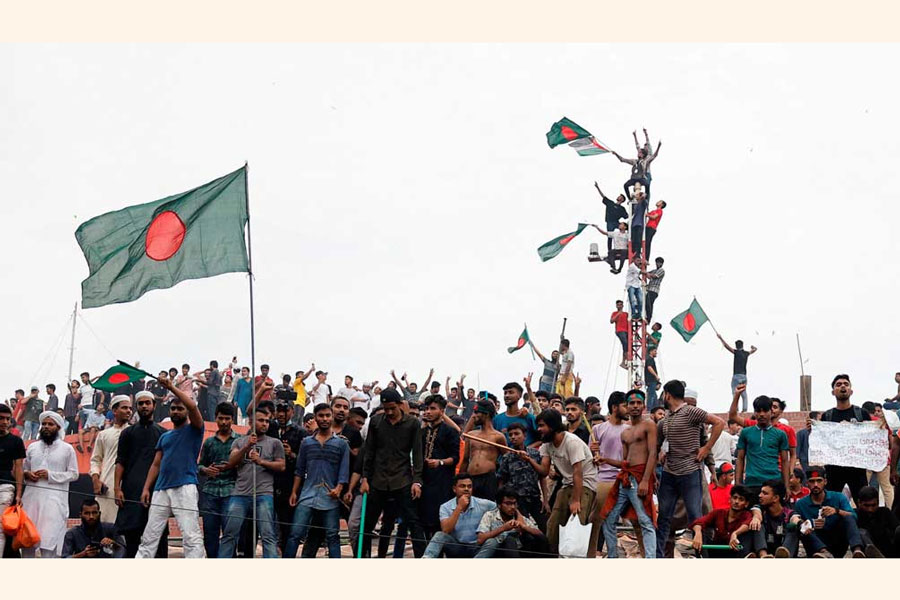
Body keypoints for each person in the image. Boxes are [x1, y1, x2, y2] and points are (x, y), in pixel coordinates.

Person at [136, 374, 206, 559]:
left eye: (180, 408)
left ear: (186, 412)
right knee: (149, 537)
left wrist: (171, 388)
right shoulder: (164, 436)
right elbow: (156, 464)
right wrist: (146, 488)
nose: (175, 411)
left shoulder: (195, 430)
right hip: (160, 489)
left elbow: (193, 406)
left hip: (185, 486)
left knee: (191, 536)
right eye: (173, 408)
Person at [655, 379, 725, 557]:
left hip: (690, 472)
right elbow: (661, 443)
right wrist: (661, 453)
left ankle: (702, 555)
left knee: (697, 516)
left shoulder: (691, 412)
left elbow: (719, 423)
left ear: (667, 395)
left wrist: (706, 449)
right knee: (664, 517)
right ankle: (659, 556)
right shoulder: (666, 419)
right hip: (670, 473)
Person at [517, 409, 600, 557]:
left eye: (542, 425)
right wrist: (529, 459)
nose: (538, 429)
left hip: (585, 484)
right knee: (553, 525)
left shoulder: (572, 442)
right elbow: (544, 471)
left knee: (577, 524)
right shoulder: (546, 444)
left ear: (553, 426)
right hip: (567, 484)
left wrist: (576, 500)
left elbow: (578, 472)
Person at [359, 388, 426, 558]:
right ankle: (365, 558)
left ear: (400, 404)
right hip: (378, 480)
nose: (389, 412)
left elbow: (417, 454)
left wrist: (417, 481)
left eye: (392, 408)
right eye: (386, 408)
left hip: (402, 480)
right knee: (368, 524)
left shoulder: (412, 423)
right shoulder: (376, 422)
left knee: (413, 522)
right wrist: (365, 478)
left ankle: (423, 558)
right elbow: (369, 452)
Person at [217, 407, 286, 558]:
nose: (264, 424)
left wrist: (261, 461)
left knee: (268, 535)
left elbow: (281, 466)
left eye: (267, 421)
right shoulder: (239, 441)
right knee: (229, 533)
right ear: (251, 422)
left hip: (264, 494)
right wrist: (247, 446)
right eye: (261, 420)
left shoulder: (275, 443)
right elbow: (232, 461)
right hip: (240, 494)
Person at [285, 403, 350, 558]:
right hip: (307, 495)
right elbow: (299, 470)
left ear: (332, 417)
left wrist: (339, 489)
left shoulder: (341, 444)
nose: (324, 419)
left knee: (332, 536)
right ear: (315, 418)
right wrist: (294, 492)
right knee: (295, 534)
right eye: (321, 416)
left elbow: (344, 471)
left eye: (327, 415)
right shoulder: (307, 443)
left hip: (330, 497)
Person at [599, 389, 658, 558]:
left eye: (639, 403)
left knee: (645, 520)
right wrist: (605, 460)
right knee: (609, 519)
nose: (635, 406)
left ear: (644, 406)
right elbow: (625, 462)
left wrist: (645, 480)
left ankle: (651, 559)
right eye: (631, 403)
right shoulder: (625, 432)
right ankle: (612, 556)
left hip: (640, 478)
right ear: (627, 406)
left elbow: (653, 453)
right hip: (625, 478)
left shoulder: (649, 425)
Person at [115, 390, 168, 558]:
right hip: (131, 491)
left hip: (156, 491)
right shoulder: (127, 433)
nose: (144, 406)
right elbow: (120, 462)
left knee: (159, 537)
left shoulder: (163, 433)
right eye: (141, 403)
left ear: (154, 405)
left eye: (147, 403)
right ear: (136, 406)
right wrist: (117, 488)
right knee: (132, 539)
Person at [21, 411, 78, 557]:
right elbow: (23, 469)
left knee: (49, 544)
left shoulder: (67, 449)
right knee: (27, 541)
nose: (46, 426)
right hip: (31, 500)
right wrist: (27, 474)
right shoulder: (32, 447)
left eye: (50, 424)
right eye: (44, 424)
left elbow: (74, 474)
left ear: (58, 427)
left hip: (54, 502)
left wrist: (50, 475)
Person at [811, 374, 871, 503]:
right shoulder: (827, 416)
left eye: (846, 384)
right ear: (833, 392)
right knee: (831, 504)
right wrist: (813, 430)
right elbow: (823, 441)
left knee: (864, 503)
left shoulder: (861, 414)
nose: (843, 386)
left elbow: (870, 438)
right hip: (834, 470)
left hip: (857, 468)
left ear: (851, 390)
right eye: (838, 385)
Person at [794, 467, 866, 558]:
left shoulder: (838, 497)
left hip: (837, 542)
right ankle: (823, 551)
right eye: (812, 481)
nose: (815, 485)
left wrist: (837, 511)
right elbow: (793, 522)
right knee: (801, 526)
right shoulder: (801, 504)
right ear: (807, 483)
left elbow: (853, 517)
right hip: (815, 546)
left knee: (848, 517)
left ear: (825, 482)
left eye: (819, 481)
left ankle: (857, 551)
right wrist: (808, 523)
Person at [197, 402, 238, 558]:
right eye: (221, 418)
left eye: (227, 418)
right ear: (215, 418)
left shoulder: (239, 441)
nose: (224, 422)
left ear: (232, 420)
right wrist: (206, 470)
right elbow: (199, 465)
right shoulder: (209, 442)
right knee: (210, 534)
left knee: (230, 534)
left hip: (231, 492)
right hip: (210, 492)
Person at [423, 473, 496, 558]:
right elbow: (446, 530)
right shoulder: (445, 507)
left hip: (477, 546)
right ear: (454, 489)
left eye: (469, 486)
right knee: (439, 535)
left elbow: (499, 508)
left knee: (492, 542)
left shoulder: (485, 504)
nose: (466, 489)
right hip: (457, 546)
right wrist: (459, 507)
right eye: (462, 486)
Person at [420, 395, 462, 540]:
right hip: (424, 480)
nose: (428, 412)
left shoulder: (450, 432)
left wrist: (440, 462)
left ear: (442, 411)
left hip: (443, 482)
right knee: (424, 521)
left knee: (439, 520)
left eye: (433, 408)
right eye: (426, 408)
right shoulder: (422, 432)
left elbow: (455, 458)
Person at [729, 386, 797, 474]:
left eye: (775, 407)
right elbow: (733, 416)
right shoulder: (753, 426)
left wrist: (790, 472)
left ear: (781, 411)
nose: (772, 409)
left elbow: (793, 454)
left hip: (778, 473)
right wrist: (737, 395)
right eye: (770, 407)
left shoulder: (787, 430)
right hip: (756, 473)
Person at [89, 395, 132, 524]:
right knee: (105, 524)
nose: (129, 411)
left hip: (130, 485)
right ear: (114, 411)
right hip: (107, 486)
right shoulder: (104, 434)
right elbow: (95, 460)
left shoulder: (135, 432)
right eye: (124, 408)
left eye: (130, 408)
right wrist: (96, 480)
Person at [497, 422, 547, 531]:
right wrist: (501, 501)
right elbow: (501, 480)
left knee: (544, 526)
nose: (513, 437)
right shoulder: (507, 457)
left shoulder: (535, 454)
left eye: (516, 434)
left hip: (534, 497)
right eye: (510, 435)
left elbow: (542, 476)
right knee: (523, 529)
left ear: (524, 436)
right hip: (517, 501)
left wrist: (546, 500)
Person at [735, 395, 790, 495]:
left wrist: (786, 486)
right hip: (752, 483)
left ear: (771, 412)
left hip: (773, 483)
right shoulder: (746, 433)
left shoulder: (780, 434)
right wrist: (738, 484)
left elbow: (785, 461)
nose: (761, 414)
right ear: (754, 412)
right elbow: (740, 459)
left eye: (765, 411)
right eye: (758, 411)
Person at [272, 401, 307, 554]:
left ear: (292, 411)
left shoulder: (300, 433)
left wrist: (291, 454)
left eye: (285, 411)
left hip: (291, 483)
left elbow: (305, 461)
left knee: (287, 524)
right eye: (278, 410)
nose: (281, 414)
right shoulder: (271, 428)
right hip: (270, 481)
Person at [475, 487, 548, 558]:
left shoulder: (520, 518)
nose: (512, 507)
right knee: (507, 540)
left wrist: (524, 527)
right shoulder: (490, 516)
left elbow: (541, 535)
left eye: (514, 503)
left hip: (518, 552)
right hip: (497, 553)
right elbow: (480, 539)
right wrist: (503, 528)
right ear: (499, 505)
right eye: (508, 504)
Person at [461, 399, 507, 500]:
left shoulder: (498, 437)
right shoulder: (471, 435)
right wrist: (460, 479)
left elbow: (507, 459)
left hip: (488, 479)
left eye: (477, 412)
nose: (474, 416)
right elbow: (465, 460)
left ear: (486, 414)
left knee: (487, 507)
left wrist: (501, 481)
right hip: (471, 478)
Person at [748, 479, 800, 558]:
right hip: (768, 551)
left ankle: (783, 556)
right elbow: (756, 511)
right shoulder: (761, 509)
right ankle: (763, 556)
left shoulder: (788, 512)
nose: (760, 495)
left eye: (765, 493)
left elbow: (795, 518)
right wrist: (756, 518)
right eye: (761, 492)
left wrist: (798, 522)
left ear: (775, 498)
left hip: (785, 550)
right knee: (757, 524)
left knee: (793, 527)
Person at [0, 403, 25, 559]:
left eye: (7, 419)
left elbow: (19, 468)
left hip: (5, 488)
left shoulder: (15, 441)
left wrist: (18, 494)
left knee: (0, 529)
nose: (4, 422)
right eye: (1, 418)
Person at [62, 498, 126, 558]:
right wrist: (83, 554)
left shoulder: (110, 528)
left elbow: (123, 549)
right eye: (87, 513)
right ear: (80, 515)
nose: (91, 517)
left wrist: (113, 544)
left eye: (94, 513)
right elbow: (64, 558)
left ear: (99, 513)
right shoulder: (72, 533)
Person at [855, 485, 900, 557]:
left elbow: (897, 528)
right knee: (861, 532)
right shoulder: (855, 515)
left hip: (889, 551)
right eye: (866, 505)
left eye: (873, 505)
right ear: (859, 503)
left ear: (878, 503)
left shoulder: (885, 512)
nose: (870, 509)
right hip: (866, 553)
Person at [717, 335, 757, 413]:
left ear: (736, 346)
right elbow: (755, 349)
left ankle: (736, 409)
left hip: (736, 375)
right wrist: (753, 347)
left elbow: (726, 346)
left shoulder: (736, 352)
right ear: (742, 345)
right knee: (744, 393)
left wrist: (720, 338)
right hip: (744, 376)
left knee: (735, 393)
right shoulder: (746, 353)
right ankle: (744, 409)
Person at [594, 181, 628, 255]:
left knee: (626, 229)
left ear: (622, 200)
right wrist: (597, 187)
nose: (618, 197)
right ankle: (609, 251)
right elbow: (603, 196)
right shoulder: (610, 203)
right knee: (609, 236)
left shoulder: (622, 208)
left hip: (616, 222)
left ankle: (624, 246)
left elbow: (627, 216)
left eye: (620, 197)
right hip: (610, 222)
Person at [610, 300, 630, 369]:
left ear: (622, 306)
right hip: (620, 330)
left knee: (626, 345)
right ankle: (626, 359)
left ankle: (623, 361)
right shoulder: (614, 313)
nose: (619, 306)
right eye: (618, 305)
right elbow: (611, 321)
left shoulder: (626, 314)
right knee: (625, 343)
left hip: (627, 331)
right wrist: (618, 314)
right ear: (616, 306)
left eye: (620, 305)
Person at [644, 257, 665, 322]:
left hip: (654, 290)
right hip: (649, 289)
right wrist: (646, 273)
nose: (657, 264)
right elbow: (647, 274)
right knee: (647, 303)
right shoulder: (654, 270)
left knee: (649, 303)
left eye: (659, 263)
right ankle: (647, 316)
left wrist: (646, 274)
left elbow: (654, 276)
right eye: (657, 262)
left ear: (661, 264)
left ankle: (648, 318)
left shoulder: (661, 270)